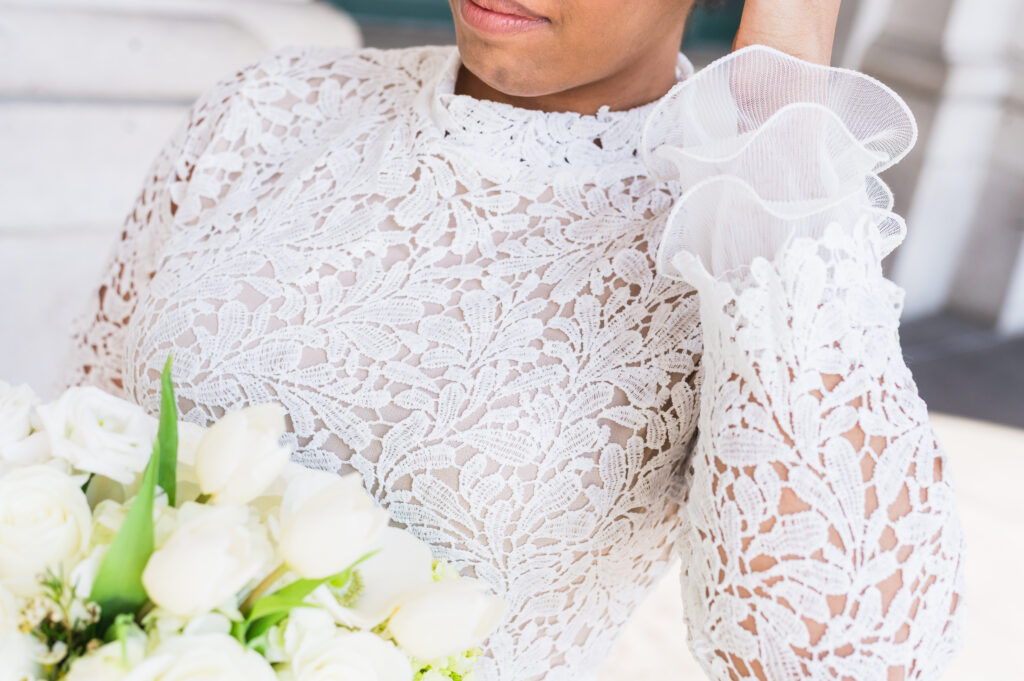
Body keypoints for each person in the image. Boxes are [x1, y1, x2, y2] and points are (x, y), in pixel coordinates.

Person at [64, 0, 968, 679]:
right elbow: (83, 453)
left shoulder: (740, 227)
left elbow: (837, 651)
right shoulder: (269, 107)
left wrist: (780, 85)